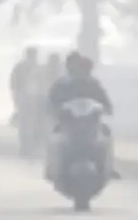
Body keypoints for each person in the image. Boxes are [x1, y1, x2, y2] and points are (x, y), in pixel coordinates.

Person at [44, 52, 116, 181]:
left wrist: (106, 108)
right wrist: (56, 111)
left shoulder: (92, 83)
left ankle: (108, 167)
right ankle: (51, 167)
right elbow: (51, 102)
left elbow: (104, 100)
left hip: (90, 123)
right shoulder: (62, 84)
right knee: (53, 135)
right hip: (68, 123)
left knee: (107, 133)